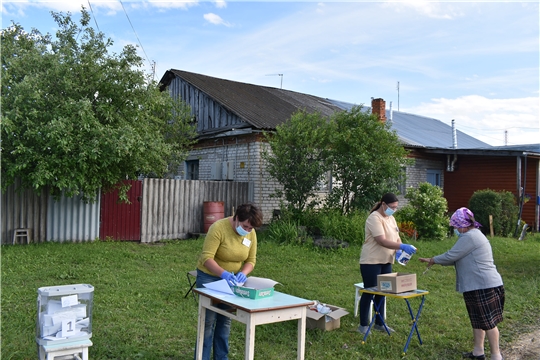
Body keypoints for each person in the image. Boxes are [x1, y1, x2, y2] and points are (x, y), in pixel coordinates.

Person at [419, 207, 505, 360]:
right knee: (477, 320)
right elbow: (457, 259)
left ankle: (496, 355)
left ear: (464, 224)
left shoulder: (470, 237)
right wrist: (437, 261)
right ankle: (478, 352)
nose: (456, 229)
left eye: (457, 226)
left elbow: (452, 255)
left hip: (484, 285)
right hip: (476, 285)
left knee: (489, 322)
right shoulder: (472, 235)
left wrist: (433, 260)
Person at [194, 203, 263, 360]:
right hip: (209, 277)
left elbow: (251, 260)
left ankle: (221, 357)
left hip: (233, 282)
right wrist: (223, 273)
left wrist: (243, 274)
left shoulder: (250, 233)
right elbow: (206, 258)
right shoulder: (218, 228)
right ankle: (201, 357)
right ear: (237, 218)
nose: (247, 231)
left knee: (225, 321)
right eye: (245, 226)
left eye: (250, 229)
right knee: (208, 322)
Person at [357, 193, 417, 334]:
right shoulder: (374, 218)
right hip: (371, 261)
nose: (394, 210)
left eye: (396, 207)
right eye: (392, 207)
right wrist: (401, 247)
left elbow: (396, 238)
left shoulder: (391, 218)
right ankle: (363, 325)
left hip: (386, 260)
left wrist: (401, 250)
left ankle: (379, 323)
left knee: (384, 290)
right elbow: (381, 240)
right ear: (383, 204)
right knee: (370, 290)